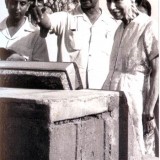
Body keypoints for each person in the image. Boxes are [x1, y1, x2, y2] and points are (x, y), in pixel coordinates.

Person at [103, 0, 159, 156]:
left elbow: (158, 71)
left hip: (136, 100)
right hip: (113, 97)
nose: (111, 7)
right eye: (108, 1)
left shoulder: (147, 25)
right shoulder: (119, 29)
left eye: (117, 0)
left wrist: (149, 110)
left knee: (136, 149)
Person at [30, 0, 117, 89]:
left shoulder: (113, 23)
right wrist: (38, 11)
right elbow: (46, 22)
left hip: (101, 91)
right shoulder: (66, 18)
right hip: (70, 92)